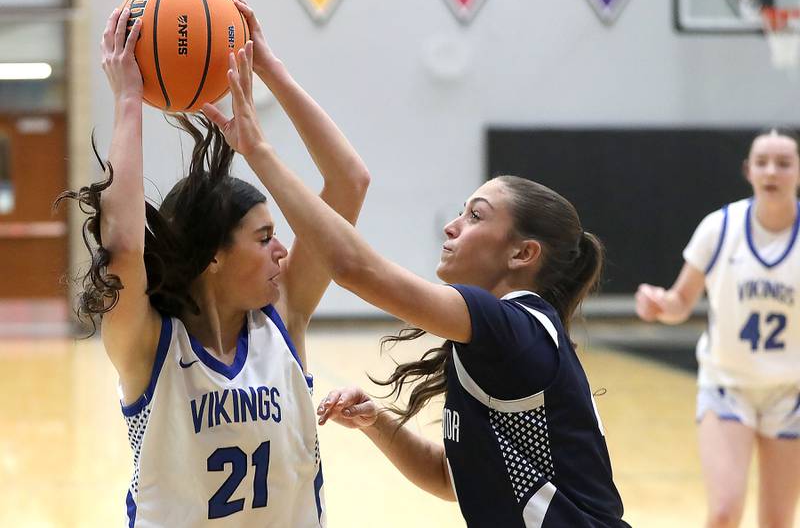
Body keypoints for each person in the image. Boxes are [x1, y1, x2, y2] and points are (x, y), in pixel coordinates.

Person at [202, 35, 630, 527]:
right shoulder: (495, 344)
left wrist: (257, 150)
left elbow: (354, 268)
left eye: (476, 216)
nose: (453, 226)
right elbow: (452, 478)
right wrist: (377, 422)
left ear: (522, 253)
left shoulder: (517, 327)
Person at [57, 0, 369, 527]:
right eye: (264, 237)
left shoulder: (283, 316)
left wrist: (271, 71)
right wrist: (128, 100)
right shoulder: (149, 346)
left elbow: (349, 182)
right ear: (213, 258)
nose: (283, 250)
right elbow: (127, 248)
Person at [635, 129, 800, 528]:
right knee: (724, 511)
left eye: (783, 162)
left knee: (777, 521)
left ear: (798, 171)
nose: (771, 171)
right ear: (748, 171)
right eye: (762, 162)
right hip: (727, 384)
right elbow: (681, 302)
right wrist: (660, 305)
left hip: (791, 391)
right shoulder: (720, 227)